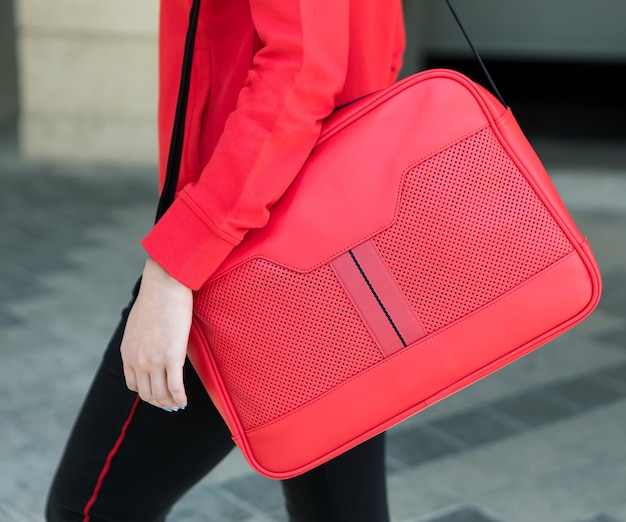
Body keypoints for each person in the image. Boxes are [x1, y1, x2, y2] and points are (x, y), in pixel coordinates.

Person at [45, 0, 406, 520]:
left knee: (91, 508)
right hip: (335, 234)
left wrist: (174, 271)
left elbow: (300, 70)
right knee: (340, 507)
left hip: (242, 258)